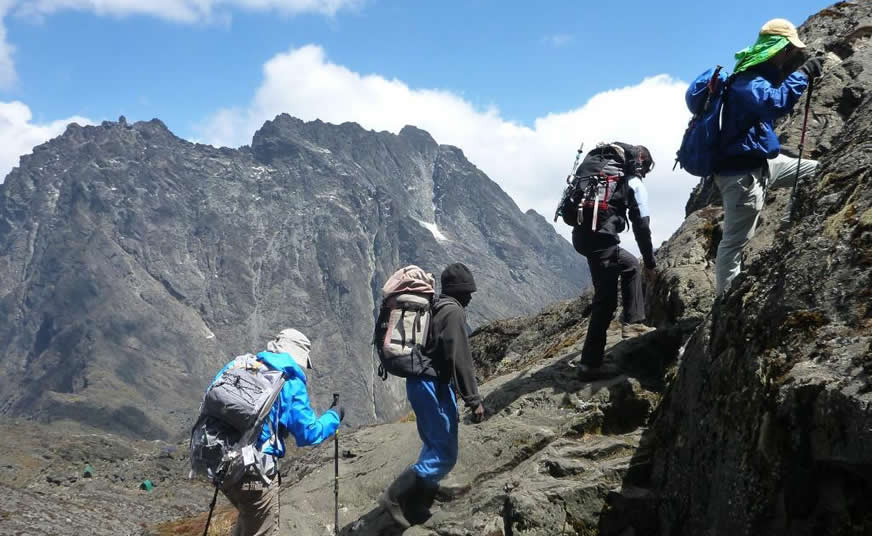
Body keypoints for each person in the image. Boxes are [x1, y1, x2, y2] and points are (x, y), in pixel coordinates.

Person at [713, 18, 822, 295]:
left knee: (818, 170)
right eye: (790, 50)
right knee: (734, 243)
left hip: (762, 164)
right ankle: (723, 303)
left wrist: (776, 149)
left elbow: (755, 123)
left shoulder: (754, 77)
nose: (791, 56)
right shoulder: (748, 81)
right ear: (781, 49)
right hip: (742, 176)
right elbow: (774, 104)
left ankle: (790, 226)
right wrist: (802, 75)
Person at [379, 262, 485, 528]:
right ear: (459, 291)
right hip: (431, 385)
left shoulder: (436, 307)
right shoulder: (454, 313)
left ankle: (418, 503)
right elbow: (460, 358)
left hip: (422, 383)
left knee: (434, 443)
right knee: (444, 453)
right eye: (468, 292)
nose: (471, 297)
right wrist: (474, 400)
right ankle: (394, 497)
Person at [217, 328, 343, 536]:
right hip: (254, 472)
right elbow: (308, 433)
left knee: (249, 515)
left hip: (220, 463)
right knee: (262, 526)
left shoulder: (240, 365)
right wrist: (334, 416)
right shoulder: (289, 381)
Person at [572, 144, 657, 381]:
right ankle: (589, 366)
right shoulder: (634, 183)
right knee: (606, 301)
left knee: (629, 264)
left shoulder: (600, 171)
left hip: (582, 235)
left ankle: (633, 323)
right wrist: (650, 263)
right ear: (641, 164)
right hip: (601, 239)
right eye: (645, 170)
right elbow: (642, 227)